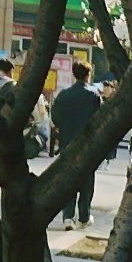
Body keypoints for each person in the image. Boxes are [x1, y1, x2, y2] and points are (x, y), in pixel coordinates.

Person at [48, 59, 101, 227]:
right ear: (88, 75)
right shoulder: (94, 95)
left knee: (68, 180)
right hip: (87, 145)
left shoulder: (64, 95)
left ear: (74, 74)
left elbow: (55, 118)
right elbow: (99, 119)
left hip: (67, 144)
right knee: (87, 181)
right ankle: (84, 217)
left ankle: (68, 217)